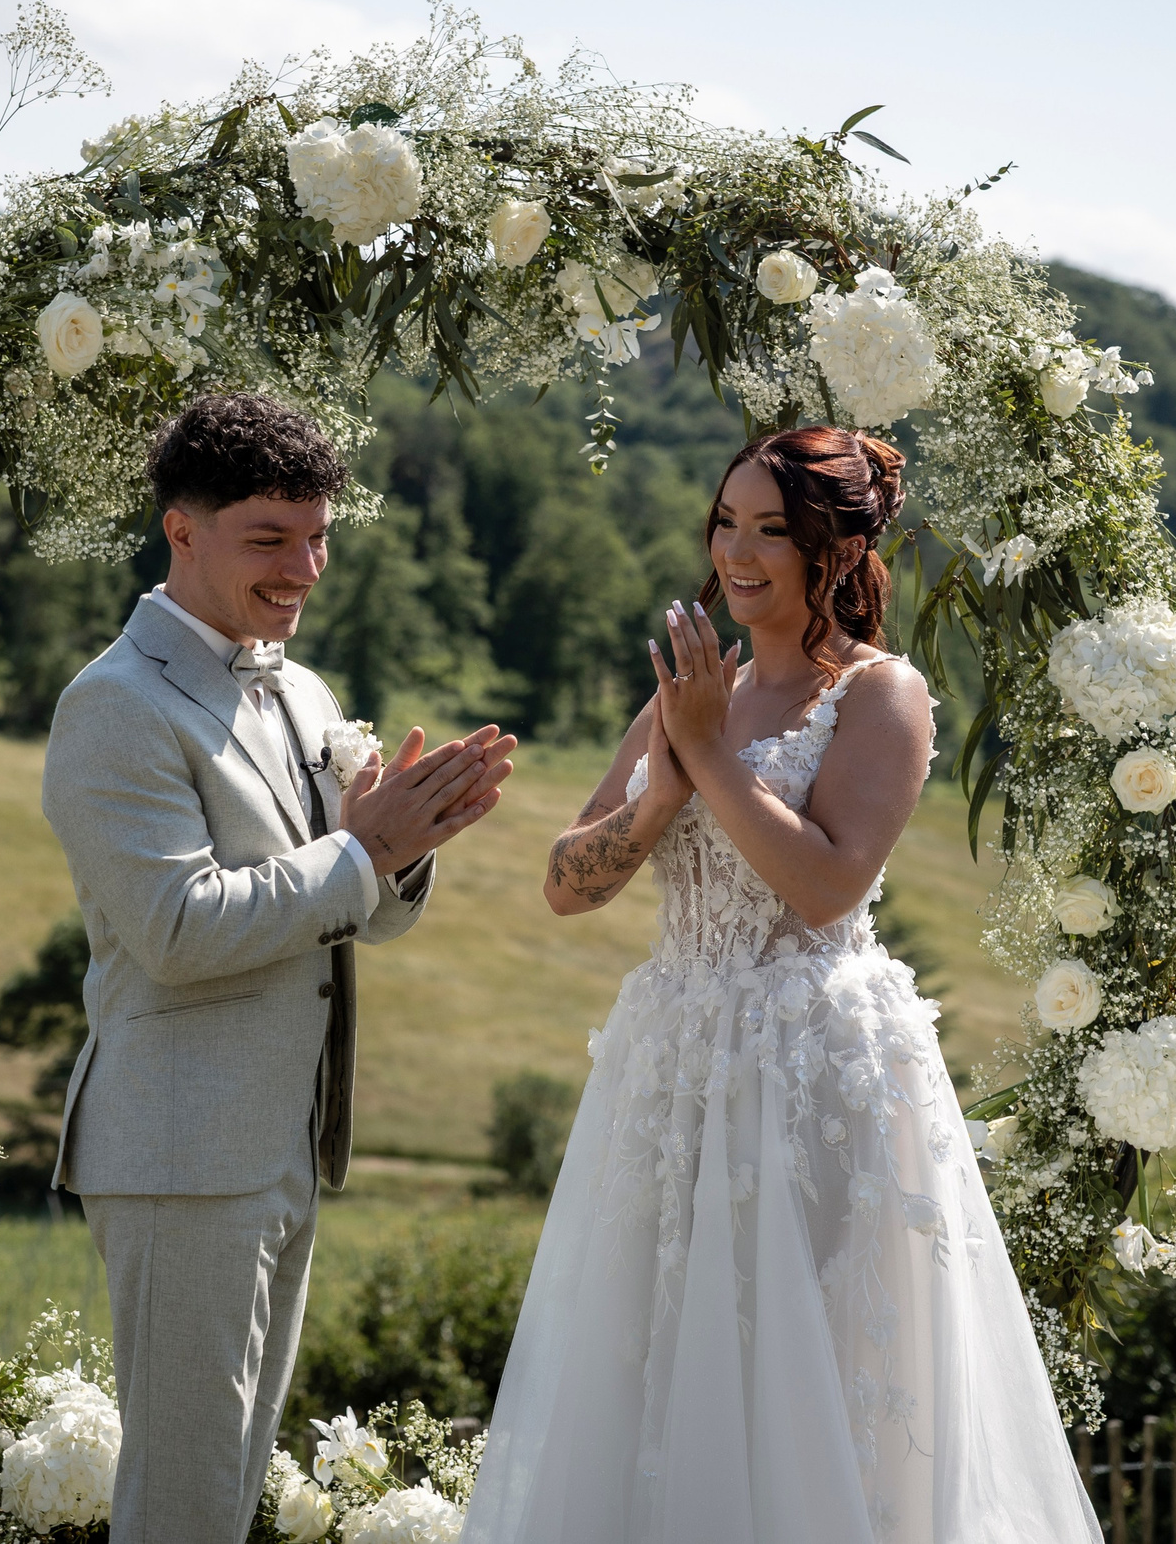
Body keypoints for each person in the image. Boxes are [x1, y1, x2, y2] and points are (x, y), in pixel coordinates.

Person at [462, 427, 1104, 1544]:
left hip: (811, 1066)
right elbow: (568, 884)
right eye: (726, 522)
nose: (738, 551)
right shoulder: (686, 691)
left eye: (773, 529)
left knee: (810, 1376)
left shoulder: (877, 694)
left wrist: (707, 757)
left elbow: (824, 885)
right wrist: (662, 789)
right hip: (674, 1061)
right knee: (655, 1358)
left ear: (836, 547)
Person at [41, 391, 518, 1543]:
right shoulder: (115, 704)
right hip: (178, 1148)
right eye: (269, 537)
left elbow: (355, 915)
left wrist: (396, 858)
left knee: (229, 1487)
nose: (303, 566)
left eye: (317, 536)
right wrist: (367, 849)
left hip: (280, 1145)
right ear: (181, 529)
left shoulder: (298, 690)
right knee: (182, 1500)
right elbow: (180, 927)